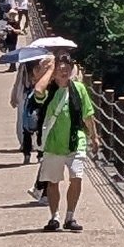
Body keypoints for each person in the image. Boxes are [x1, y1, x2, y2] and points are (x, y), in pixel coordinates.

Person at [35, 54, 92, 231]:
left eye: (67, 67)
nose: (64, 71)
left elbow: (88, 114)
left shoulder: (79, 89)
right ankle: (54, 217)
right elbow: (38, 91)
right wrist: (50, 70)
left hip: (76, 140)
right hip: (53, 143)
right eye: (61, 68)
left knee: (76, 178)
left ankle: (70, 216)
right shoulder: (49, 90)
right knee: (53, 182)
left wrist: (95, 136)